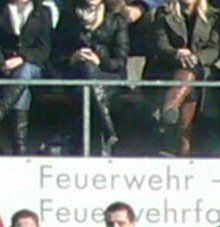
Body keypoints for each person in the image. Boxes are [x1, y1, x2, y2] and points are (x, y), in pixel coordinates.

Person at [145, 0, 219, 155]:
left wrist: (196, 57)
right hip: (169, 68)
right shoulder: (163, 13)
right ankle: (184, 142)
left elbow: (214, 49)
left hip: (200, 67)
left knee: (190, 73)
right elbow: (160, 44)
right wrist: (176, 53)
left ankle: (169, 109)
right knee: (189, 82)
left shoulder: (213, 16)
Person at [54, 0, 126, 153]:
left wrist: (100, 60)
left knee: (89, 70)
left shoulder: (116, 19)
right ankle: (107, 129)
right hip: (76, 76)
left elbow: (120, 61)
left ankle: (89, 143)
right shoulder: (68, 17)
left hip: (107, 77)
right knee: (86, 69)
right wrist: (72, 58)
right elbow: (55, 56)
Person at [0, 0, 52, 154]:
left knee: (24, 72)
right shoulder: (2, 9)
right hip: (6, 66)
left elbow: (43, 50)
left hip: (33, 65)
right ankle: (19, 148)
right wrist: (3, 63)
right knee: (22, 89)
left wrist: (22, 58)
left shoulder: (42, 13)